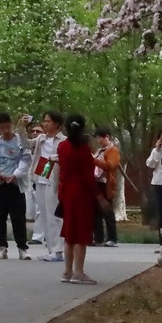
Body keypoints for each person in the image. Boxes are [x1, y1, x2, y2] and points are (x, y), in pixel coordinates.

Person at [0, 111, 33, 260]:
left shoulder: (20, 141)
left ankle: (22, 248)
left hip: (16, 184)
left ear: (11, 125)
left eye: (8, 127)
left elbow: (26, 159)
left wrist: (16, 174)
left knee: (18, 217)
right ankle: (1, 248)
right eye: (2, 128)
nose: (6, 131)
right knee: (0, 217)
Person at [57, 114, 98, 284]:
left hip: (66, 191)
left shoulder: (62, 147)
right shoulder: (83, 149)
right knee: (81, 234)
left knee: (69, 233)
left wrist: (61, 193)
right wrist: (99, 196)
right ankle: (79, 272)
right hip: (81, 193)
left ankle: (67, 271)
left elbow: (62, 172)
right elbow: (88, 176)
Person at [30, 111, 66, 263]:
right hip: (41, 174)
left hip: (54, 177)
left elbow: (65, 156)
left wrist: (54, 158)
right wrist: (22, 126)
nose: (45, 124)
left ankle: (58, 250)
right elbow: (24, 144)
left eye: (48, 121)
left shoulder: (63, 140)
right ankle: (51, 249)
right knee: (43, 214)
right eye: (44, 121)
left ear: (57, 123)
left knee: (54, 215)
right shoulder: (41, 138)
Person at [92, 128, 120, 247]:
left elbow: (110, 165)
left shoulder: (112, 150)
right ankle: (98, 237)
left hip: (105, 183)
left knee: (107, 211)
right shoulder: (99, 150)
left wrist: (95, 160)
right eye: (97, 138)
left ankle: (112, 238)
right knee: (95, 212)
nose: (98, 140)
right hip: (96, 182)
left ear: (106, 136)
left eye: (100, 138)